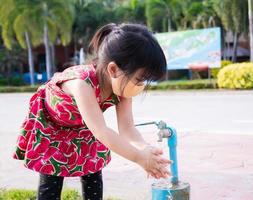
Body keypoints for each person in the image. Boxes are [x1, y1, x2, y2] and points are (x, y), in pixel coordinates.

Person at [13, 23, 172, 200]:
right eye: (140, 80)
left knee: (93, 170)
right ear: (113, 69)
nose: (141, 87)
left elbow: (127, 129)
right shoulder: (82, 84)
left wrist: (145, 151)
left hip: (85, 124)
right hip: (54, 125)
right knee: (52, 176)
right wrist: (138, 158)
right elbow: (101, 131)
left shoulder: (123, 86)